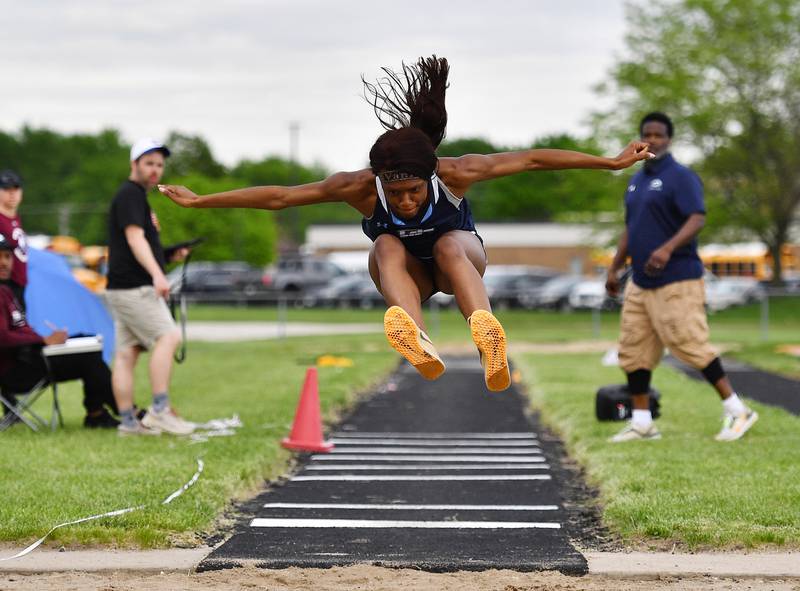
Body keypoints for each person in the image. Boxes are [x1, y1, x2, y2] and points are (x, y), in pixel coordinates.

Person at [159, 56, 653, 391]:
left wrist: (608, 162)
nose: (407, 200)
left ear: (430, 175)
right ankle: (415, 336)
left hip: (458, 261)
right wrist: (203, 201)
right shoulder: (359, 186)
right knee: (386, 246)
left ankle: (487, 334)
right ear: (379, 181)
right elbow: (282, 197)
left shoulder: (455, 171)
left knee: (447, 245)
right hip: (409, 278)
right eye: (395, 193)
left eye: (413, 191)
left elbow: (532, 161)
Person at [605, 112, 758, 443]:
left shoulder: (680, 176)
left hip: (678, 278)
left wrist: (666, 249)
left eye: (659, 135)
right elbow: (630, 229)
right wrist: (614, 266)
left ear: (669, 139)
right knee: (633, 349)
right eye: (647, 134)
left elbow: (697, 218)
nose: (653, 140)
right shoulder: (636, 180)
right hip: (640, 281)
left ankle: (737, 409)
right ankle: (643, 422)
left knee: (689, 344)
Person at [105, 138, 193, 436]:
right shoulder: (130, 195)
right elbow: (134, 240)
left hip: (121, 286)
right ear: (134, 165)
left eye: (159, 164)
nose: (155, 170)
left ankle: (129, 423)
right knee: (168, 337)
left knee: (127, 354)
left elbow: (132, 247)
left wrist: (168, 255)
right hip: (134, 288)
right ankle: (159, 410)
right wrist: (159, 275)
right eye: (149, 163)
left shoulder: (133, 197)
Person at [0, 233, 119, 428]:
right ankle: (112, 412)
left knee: (87, 341)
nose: (4, 263)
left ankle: (101, 412)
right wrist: (42, 340)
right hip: (15, 372)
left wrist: (45, 338)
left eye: (7, 256)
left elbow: (20, 330)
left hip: (29, 358)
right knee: (89, 358)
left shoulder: (7, 291)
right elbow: (2, 337)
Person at [0, 170, 29, 309]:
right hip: (5, 286)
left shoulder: (15, 219)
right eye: (6, 189)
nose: (12, 193)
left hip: (19, 286)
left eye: (16, 188)